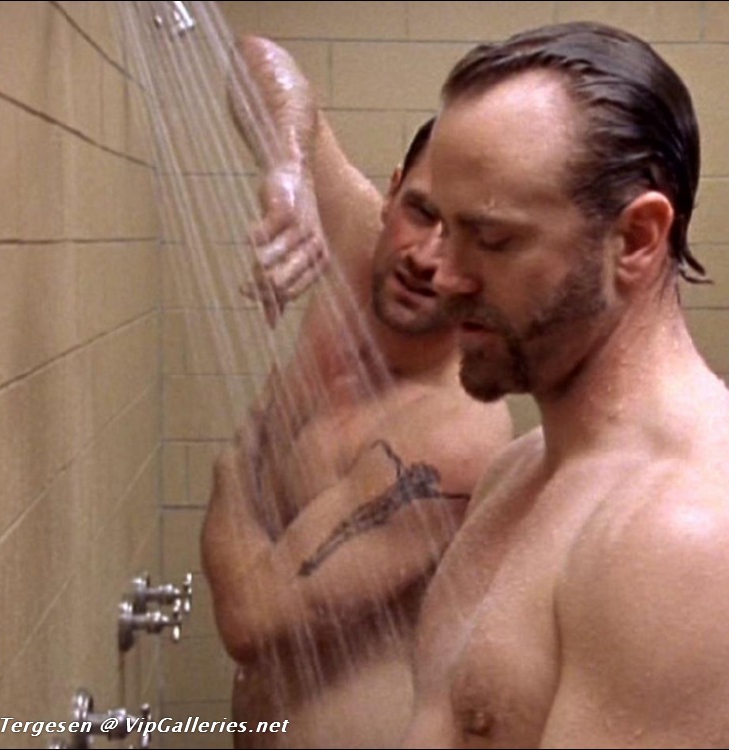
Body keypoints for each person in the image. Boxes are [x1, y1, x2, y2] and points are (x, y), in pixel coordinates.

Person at [403, 22, 729, 748]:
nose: (443, 275)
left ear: (636, 238)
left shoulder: (688, 535)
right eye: (440, 225)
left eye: (492, 238)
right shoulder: (521, 470)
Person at [201, 37, 513, 749]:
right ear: (393, 189)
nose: (426, 258)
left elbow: (250, 620)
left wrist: (231, 473)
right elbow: (256, 59)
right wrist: (287, 165)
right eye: (421, 212)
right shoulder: (354, 240)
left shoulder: (457, 431)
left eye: (469, 238)